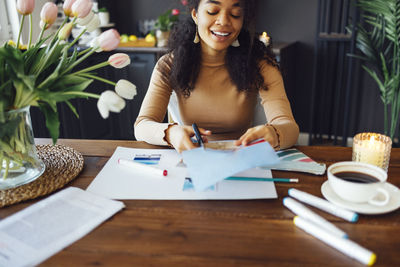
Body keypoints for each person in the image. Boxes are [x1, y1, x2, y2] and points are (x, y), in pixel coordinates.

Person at [135, 0, 299, 152]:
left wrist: (275, 133)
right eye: (213, 11)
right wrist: (171, 133)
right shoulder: (170, 65)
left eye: (235, 14)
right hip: (192, 159)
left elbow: (289, 127)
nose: (224, 21)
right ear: (195, 15)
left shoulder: (261, 65)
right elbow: (142, 125)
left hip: (243, 158)